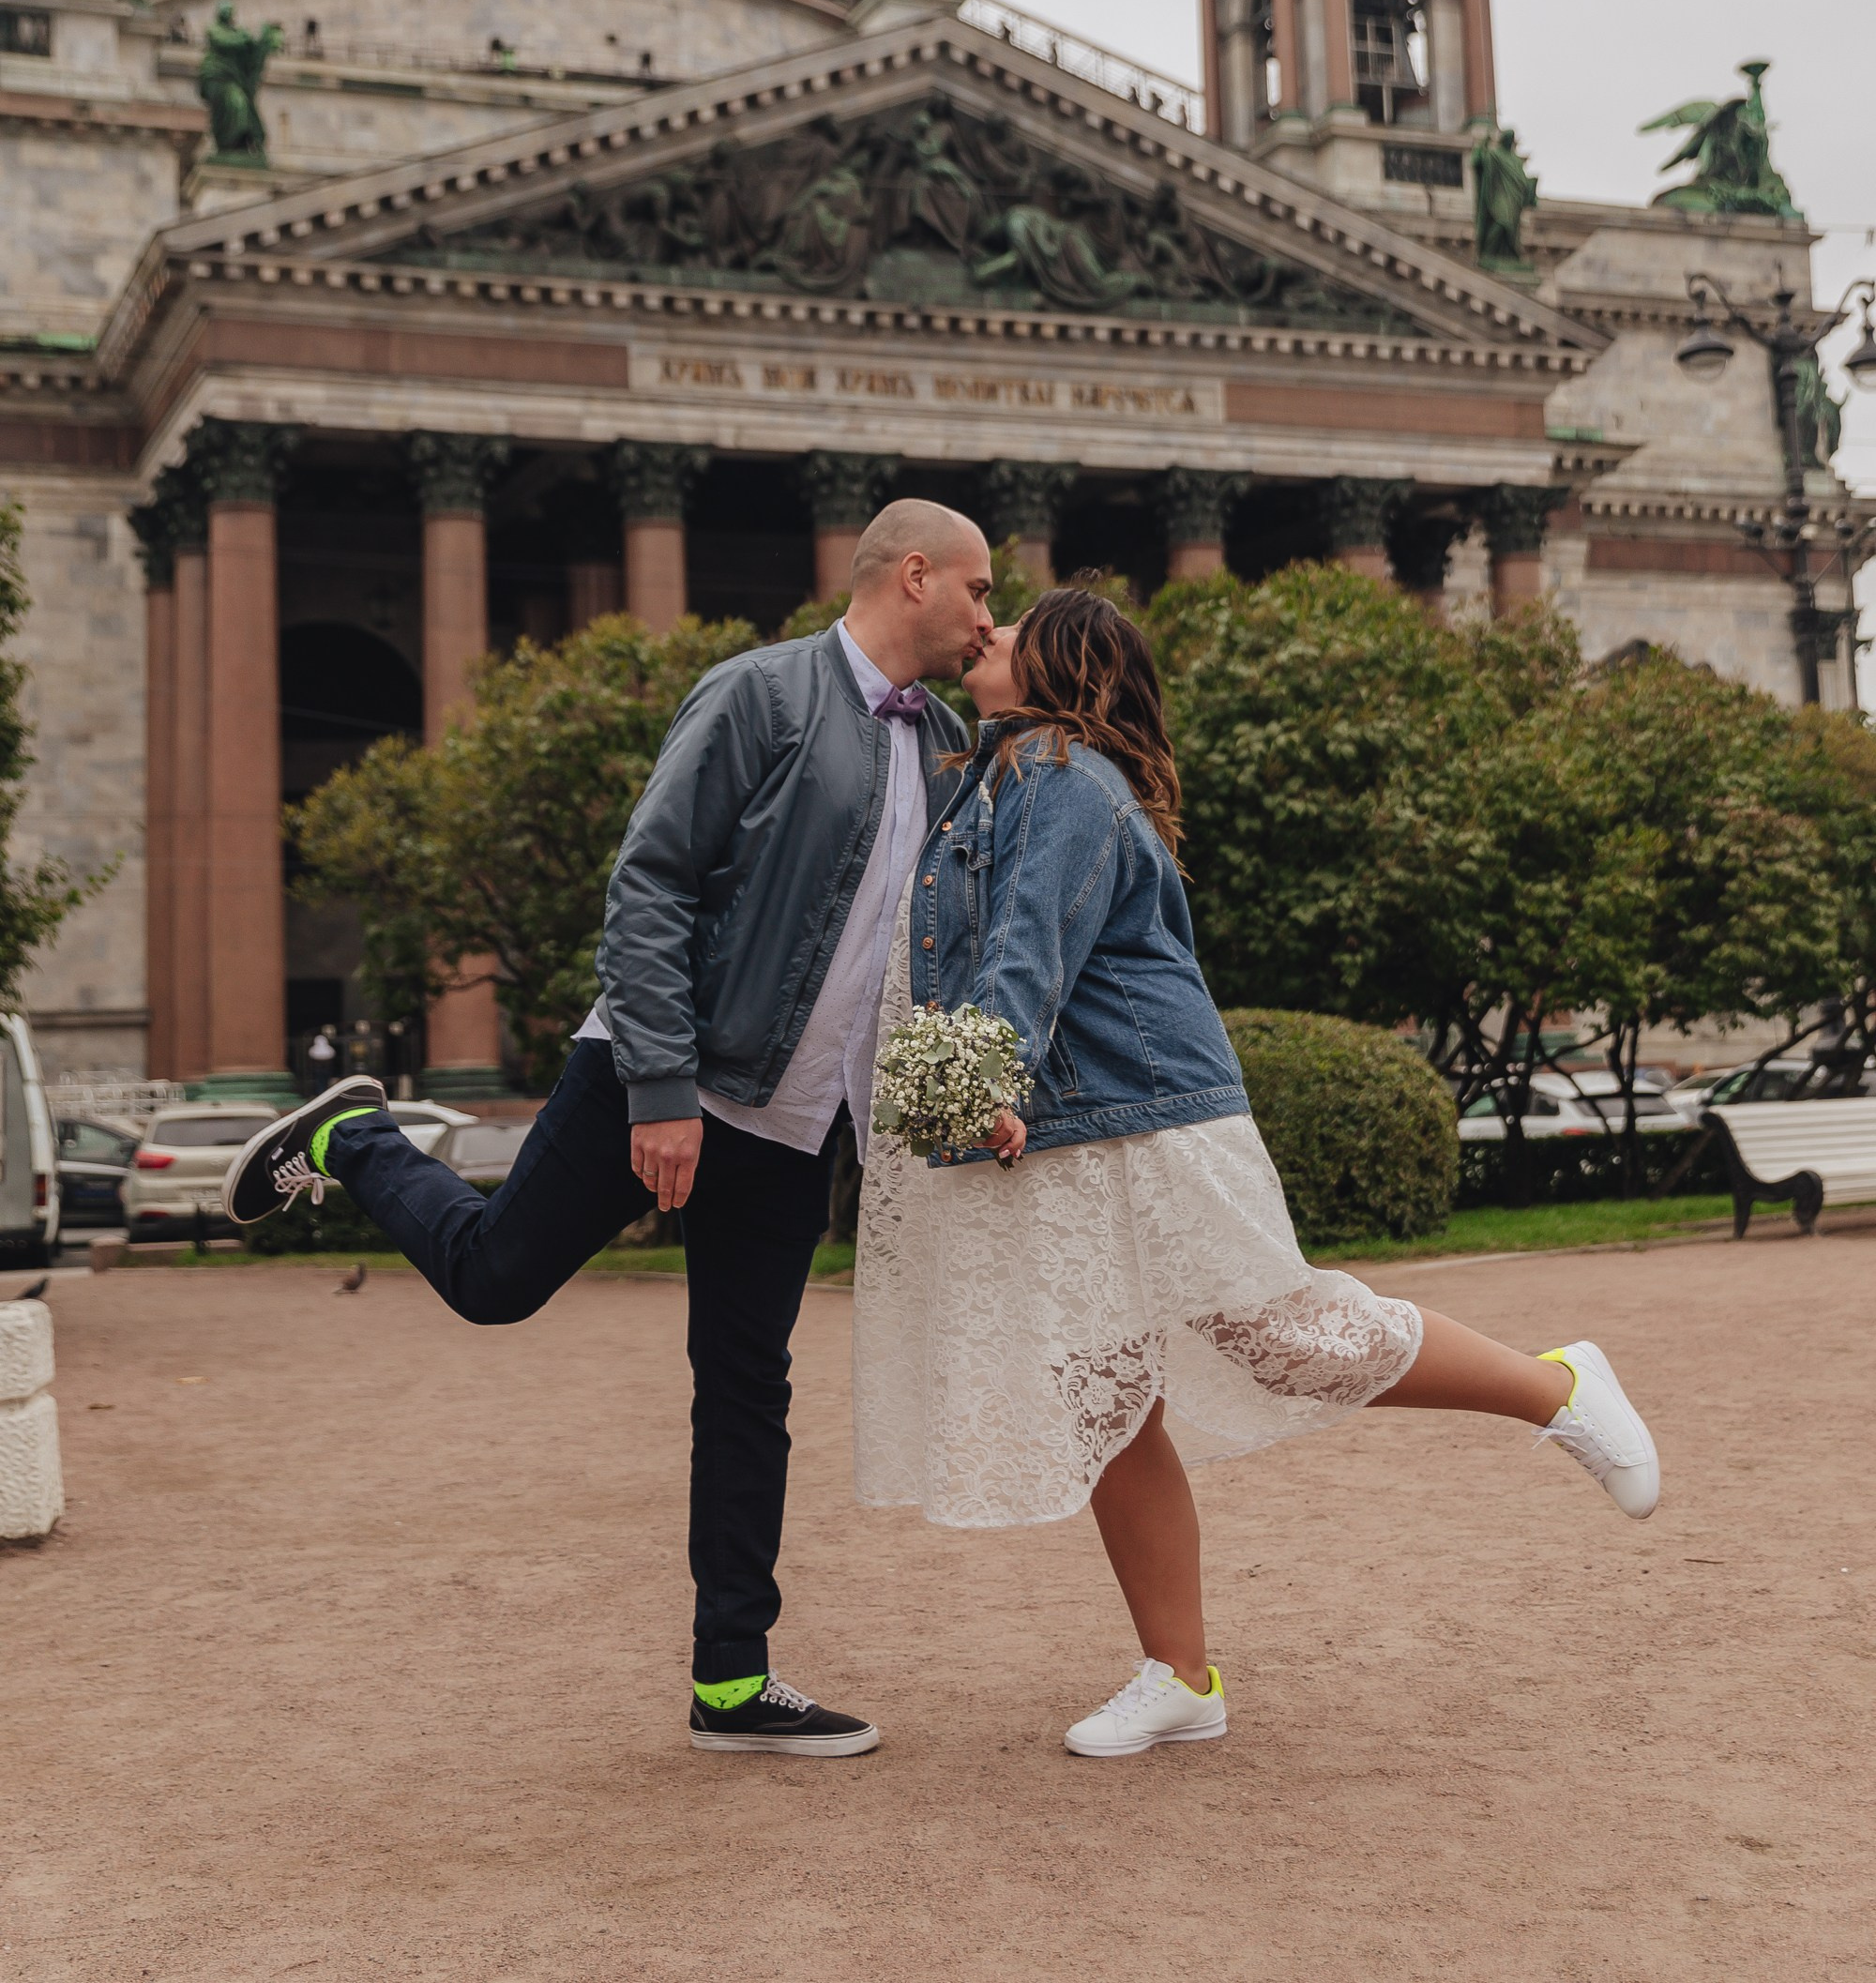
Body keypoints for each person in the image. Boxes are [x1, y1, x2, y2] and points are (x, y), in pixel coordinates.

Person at [222, 499, 995, 1756]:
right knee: (494, 1280)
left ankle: (732, 1682)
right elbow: (649, 883)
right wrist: (660, 1090)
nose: (986, 614)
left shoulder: (944, 741)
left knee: (747, 1391)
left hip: (800, 1126)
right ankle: (351, 1140)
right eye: (976, 589)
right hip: (664, 1076)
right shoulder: (761, 696)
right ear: (915, 576)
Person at [854, 587, 1660, 1760]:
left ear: (1063, 668)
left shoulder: (1061, 774)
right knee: (1105, 1393)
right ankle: (1180, 1677)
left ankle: (1559, 1388)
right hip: (1075, 1124)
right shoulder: (993, 772)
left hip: (1145, 1111)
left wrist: (984, 1082)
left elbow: (1030, 943)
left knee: (1285, 1334)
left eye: (1013, 624)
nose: (988, 632)